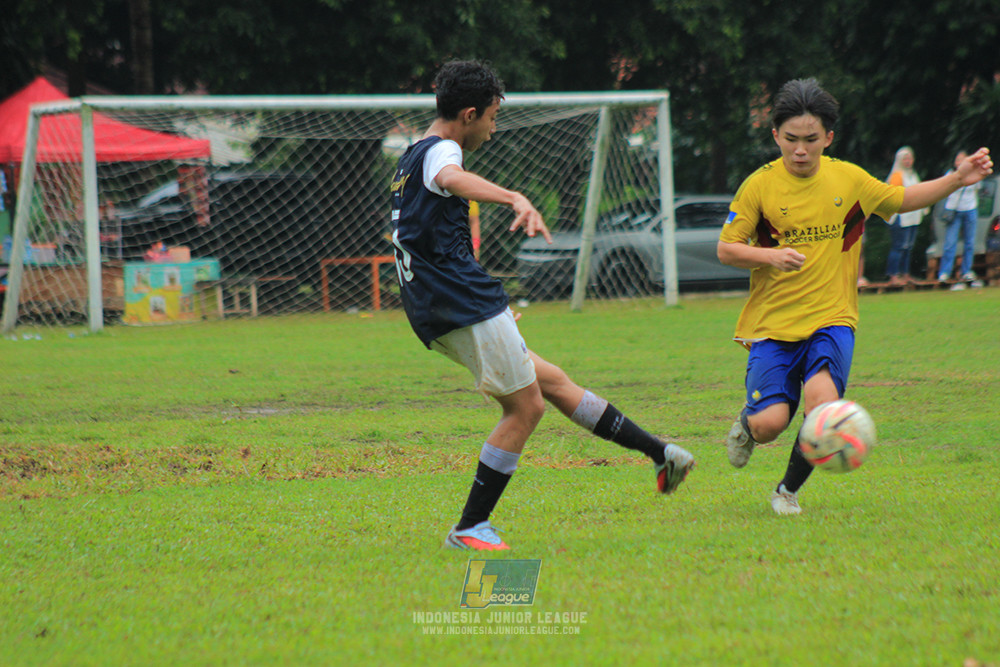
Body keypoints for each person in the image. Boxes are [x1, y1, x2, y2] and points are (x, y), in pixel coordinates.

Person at [390, 60, 694, 550]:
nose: (493, 128)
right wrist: (514, 197)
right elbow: (451, 177)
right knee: (525, 408)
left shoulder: (408, 156)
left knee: (550, 382)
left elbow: (430, 234)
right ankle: (469, 527)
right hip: (457, 304)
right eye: (491, 117)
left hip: (441, 306)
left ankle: (661, 454)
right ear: (468, 114)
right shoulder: (442, 152)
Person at [717, 78, 992, 516]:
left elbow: (901, 199)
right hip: (773, 323)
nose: (801, 150)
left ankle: (786, 491)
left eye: (811, 140)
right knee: (769, 424)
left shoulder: (848, 178)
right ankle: (749, 426)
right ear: (775, 136)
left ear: (828, 137)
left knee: (822, 406)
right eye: (791, 140)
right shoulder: (759, 186)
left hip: (833, 317)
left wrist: (958, 178)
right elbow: (726, 249)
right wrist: (769, 256)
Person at [938, 150, 983, 289]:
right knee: (950, 242)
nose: (960, 162)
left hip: (970, 208)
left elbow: (977, 189)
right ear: (955, 162)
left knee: (969, 242)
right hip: (954, 210)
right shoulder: (950, 174)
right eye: (958, 160)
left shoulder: (973, 173)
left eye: (963, 159)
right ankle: (945, 273)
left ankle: (966, 271)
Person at [884, 147, 925, 285]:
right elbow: (896, 196)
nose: (908, 161)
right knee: (899, 246)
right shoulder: (897, 175)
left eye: (909, 158)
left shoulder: (913, 175)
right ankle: (894, 275)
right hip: (900, 218)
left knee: (908, 247)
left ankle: (905, 274)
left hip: (913, 217)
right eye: (905, 159)